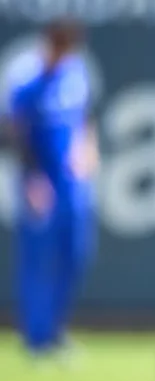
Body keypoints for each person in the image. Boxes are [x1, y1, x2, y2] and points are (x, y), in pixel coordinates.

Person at [5, 18, 98, 362]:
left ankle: (55, 330)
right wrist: (31, 177)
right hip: (41, 181)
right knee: (38, 258)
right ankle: (36, 337)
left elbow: (85, 117)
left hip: (73, 181)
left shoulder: (76, 73)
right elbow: (14, 129)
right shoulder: (26, 77)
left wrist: (88, 147)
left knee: (76, 253)